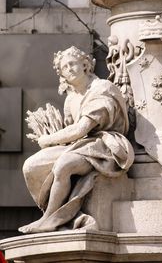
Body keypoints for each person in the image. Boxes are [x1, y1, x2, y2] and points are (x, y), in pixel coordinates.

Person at [19, 46, 134, 234]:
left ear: (85, 65)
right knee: (31, 166)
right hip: (80, 145)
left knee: (64, 164)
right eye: (64, 67)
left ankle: (50, 219)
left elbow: (81, 129)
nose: (69, 69)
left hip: (106, 145)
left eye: (72, 64)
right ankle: (66, 215)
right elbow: (71, 134)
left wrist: (47, 140)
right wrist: (53, 141)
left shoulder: (103, 88)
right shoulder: (70, 99)